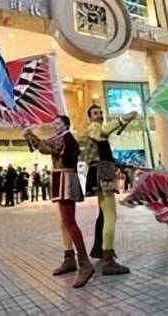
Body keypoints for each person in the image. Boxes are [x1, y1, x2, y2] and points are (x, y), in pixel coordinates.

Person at [24, 115, 94, 288]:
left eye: (58, 123)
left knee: (69, 222)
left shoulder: (63, 139)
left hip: (65, 180)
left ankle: (85, 263)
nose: (54, 126)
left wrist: (30, 134)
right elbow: (44, 145)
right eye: (54, 123)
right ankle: (69, 259)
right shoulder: (63, 138)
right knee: (64, 222)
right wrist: (30, 135)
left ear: (66, 125)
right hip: (64, 178)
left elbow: (44, 147)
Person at [82, 105, 137, 275]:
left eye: (100, 113)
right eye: (95, 113)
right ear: (90, 117)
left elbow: (103, 151)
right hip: (103, 173)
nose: (99, 115)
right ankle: (108, 259)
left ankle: (99, 249)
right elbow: (104, 132)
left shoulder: (96, 131)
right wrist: (122, 119)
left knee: (103, 214)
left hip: (101, 171)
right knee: (110, 216)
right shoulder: (94, 128)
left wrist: (120, 165)